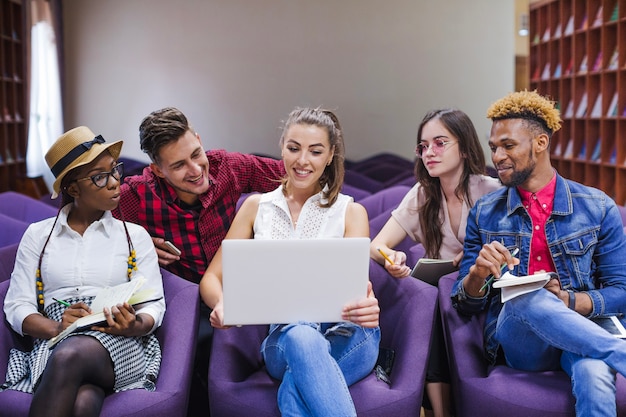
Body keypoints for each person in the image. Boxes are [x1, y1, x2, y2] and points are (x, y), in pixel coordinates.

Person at [451, 90, 626, 416]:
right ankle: (620, 353)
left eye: (508, 145)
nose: (497, 156)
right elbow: (463, 302)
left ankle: (610, 354)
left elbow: (622, 292)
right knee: (522, 293)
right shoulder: (485, 212)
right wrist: (477, 273)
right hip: (522, 342)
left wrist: (569, 302)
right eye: (493, 147)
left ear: (540, 143)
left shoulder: (598, 207)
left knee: (594, 373)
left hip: (581, 327)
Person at [200, 107, 380, 416]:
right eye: (294, 148)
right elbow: (211, 279)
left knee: (295, 391)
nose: (302, 160)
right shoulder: (256, 207)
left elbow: (356, 290)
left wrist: (368, 304)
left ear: (330, 155)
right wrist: (222, 304)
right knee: (299, 334)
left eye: (315, 151)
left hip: (349, 336)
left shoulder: (351, 212)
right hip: (283, 340)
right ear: (282, 145)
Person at [112, 107, 285, 415]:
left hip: (235, 285)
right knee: (196, 361)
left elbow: (292, 176)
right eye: (178, 165)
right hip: (184, 303)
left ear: (200, 140)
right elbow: (79, 224)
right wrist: (134, 245)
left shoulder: (229, 167)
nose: (195, 169)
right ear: (157, 169)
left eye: (196, 153)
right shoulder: (137, 194)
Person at [1, 126, 165, 417]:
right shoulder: (38, 236)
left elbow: (154, 304)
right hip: (54, 335)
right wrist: (57, 328)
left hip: (119, 339)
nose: (115, 182)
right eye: (100, 177)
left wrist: (134, 324)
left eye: (115, 170)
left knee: (69, 356)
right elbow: (17, 305)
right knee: (83, 400)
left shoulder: (134, 236)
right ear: (73, 188)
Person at [370, 108, 501, 417]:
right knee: (428, 297)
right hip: (436, 297)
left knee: (437, 295)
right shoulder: (422, 194)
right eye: (423, 146)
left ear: (466, 147)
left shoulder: (491, 191)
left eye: (440, 143)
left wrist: (471, 256)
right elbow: (377, 246)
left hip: (481, 291)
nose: (429, 152)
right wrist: (392, 258)